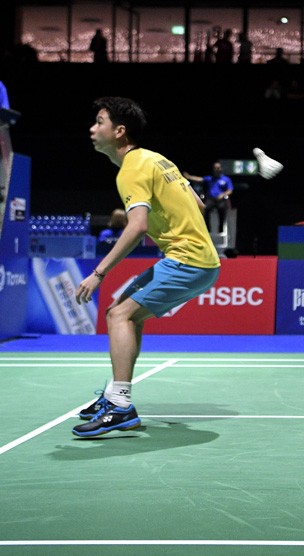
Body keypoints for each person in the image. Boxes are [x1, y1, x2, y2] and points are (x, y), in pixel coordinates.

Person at [72, 96, 220, 437]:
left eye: (99, 122)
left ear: (120, 132)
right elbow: (196, 201)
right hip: (195, 258)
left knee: (118, 315)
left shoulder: (131, 170)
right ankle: (115, 396)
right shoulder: (156, 159)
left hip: (188, 260)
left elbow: (136, 226)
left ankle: (121, 405)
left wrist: (98, 273)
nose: (92, 129)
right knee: (122, 313)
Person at [183, 161, 234, 233]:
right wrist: (189, 177)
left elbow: (230, 190)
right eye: (215, 168)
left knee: (222, 209)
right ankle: (207, 228)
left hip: (220, 199)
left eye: (218, 168)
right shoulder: (210, 178)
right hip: (211, 199)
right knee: (205, 209)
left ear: (221, 169)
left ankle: (221, 228)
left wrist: (222, 195)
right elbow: (199, 179)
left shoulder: (226, 179)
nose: (217, 169)